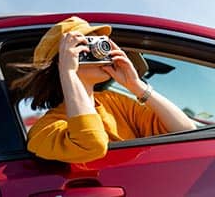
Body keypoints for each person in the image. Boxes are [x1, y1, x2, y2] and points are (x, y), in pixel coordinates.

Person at [11, 16, 196, 164]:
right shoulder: (45, 130)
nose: (101, 50)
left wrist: (137, 86)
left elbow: (185, 129)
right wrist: (68, 72)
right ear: (61, 60)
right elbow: (92, 145)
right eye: (86, 45)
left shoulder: (114, 101)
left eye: (101, 42)